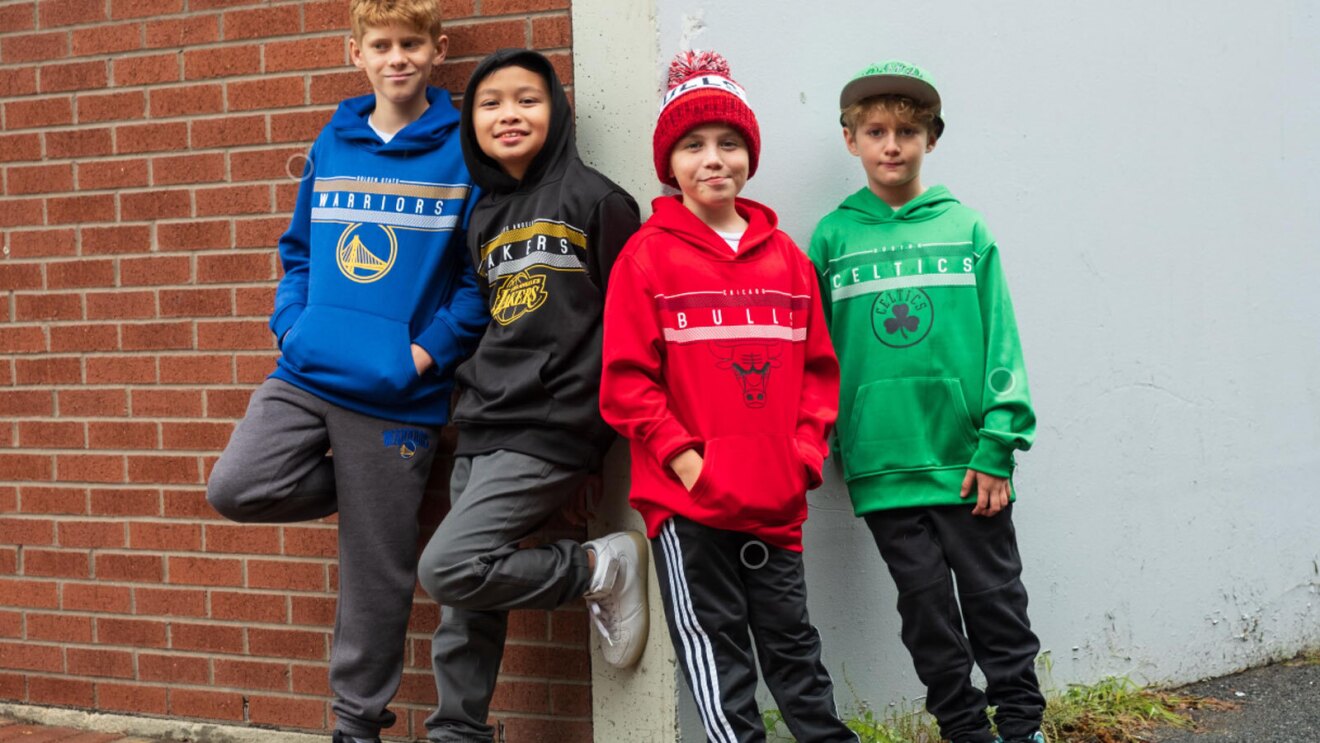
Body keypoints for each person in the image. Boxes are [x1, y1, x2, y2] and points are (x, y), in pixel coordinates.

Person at [204, 2, 487, 741]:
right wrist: (290, 324)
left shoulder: (464, 150)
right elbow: (297, 247)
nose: (397, 58)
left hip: (398, 392)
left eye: (411, 44)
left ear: (438, 50)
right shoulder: (335, 136)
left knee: (376, 574)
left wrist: (424, 353)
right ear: (355, 53)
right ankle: (373, 498)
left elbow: (474, 278)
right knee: (234, 486)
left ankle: (355, 725)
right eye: (382, 45)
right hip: (306, 371)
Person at [600, 50, 857, 743]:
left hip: (775, 500)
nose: (713, 159)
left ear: (749, 154)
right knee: (717, 655)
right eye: (693, 145)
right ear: (669, 162)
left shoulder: (789, 260)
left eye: (729, 143)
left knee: (794, 650)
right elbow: (627, 382)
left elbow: (818, 374)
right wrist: (689, 464)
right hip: (691, 506)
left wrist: (802, 456)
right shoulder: (646, 256)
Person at [807, 60, 1047, 743]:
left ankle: (1021, 725)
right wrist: (821, 440)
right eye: (875, 130)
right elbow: (816, 357)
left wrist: (998, 443)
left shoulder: (966, 229)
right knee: (927, 613)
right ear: (850, 139)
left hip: (970, 463)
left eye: (907, 131)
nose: (891, 144)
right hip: (882, 468)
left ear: (931, 140)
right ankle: (965, 729)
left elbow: (1003, 342)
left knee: (996, 601)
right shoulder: (831, 239)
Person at [415, 49, 647, 743]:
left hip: (552, 423)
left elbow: (626, 328)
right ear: (472, 124)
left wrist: (593, 443)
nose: (509, 114)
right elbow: (491, 321)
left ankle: (599, 565)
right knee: (463, 599)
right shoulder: (482, 216)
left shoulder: (600, 202)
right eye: (490, 104)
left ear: (557, 110)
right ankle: (457, 731)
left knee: (447, 566)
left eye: (527, 99)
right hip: (483, 420)